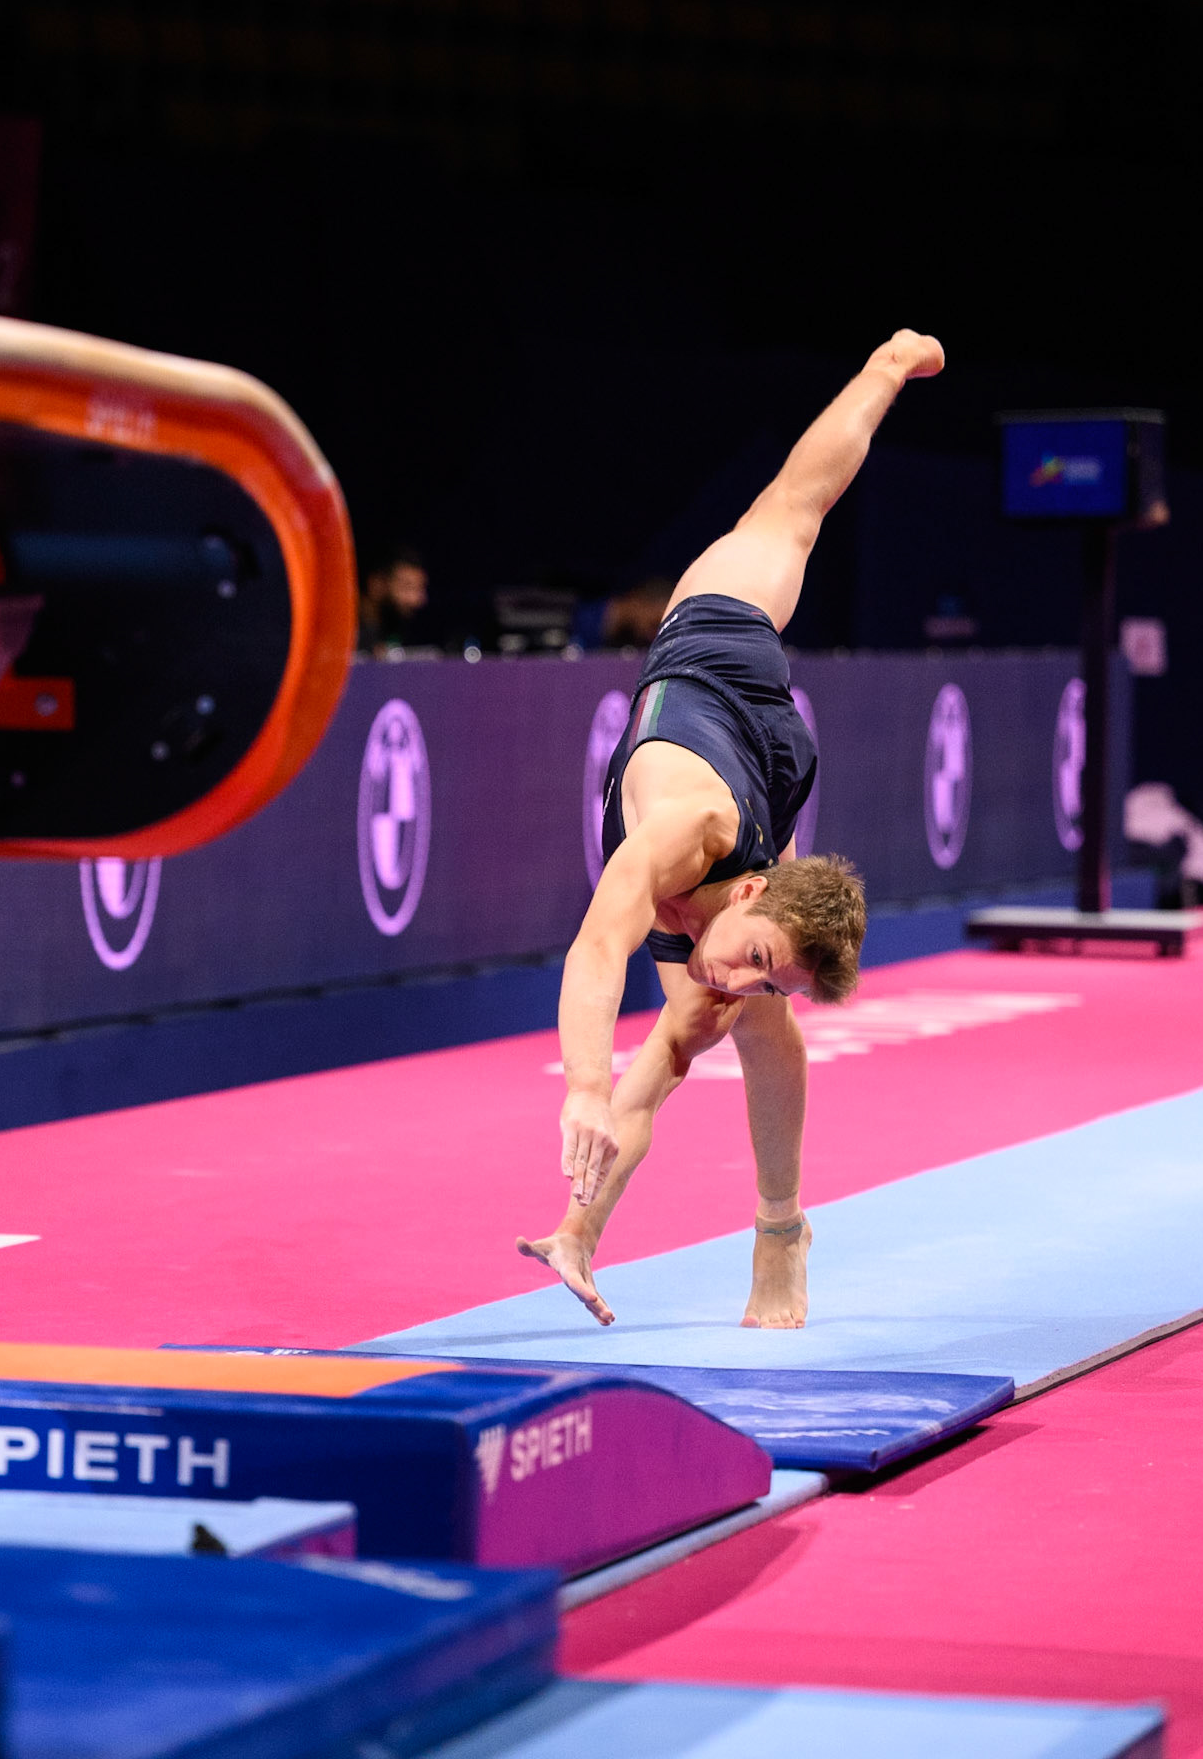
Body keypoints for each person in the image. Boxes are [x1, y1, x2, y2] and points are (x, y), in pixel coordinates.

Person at [516, 328, 945, 1329]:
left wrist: (756, 974)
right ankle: (885, 361)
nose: (739, 974)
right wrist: (583, 1096)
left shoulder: (737, 936)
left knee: (741, 1029)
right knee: (789, 514)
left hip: (773, 778)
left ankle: (781, 1233)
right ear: (746, 891)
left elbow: (703, 1005)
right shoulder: (681, 831)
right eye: (756, 956)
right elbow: (594, 947)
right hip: (720, 661)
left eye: (761, 968)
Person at [358, 544, 433, 658]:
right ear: (376, 585)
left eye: (420, 588)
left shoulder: (392, 627)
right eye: (407, 587)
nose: (418, 600)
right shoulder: (342, 634)